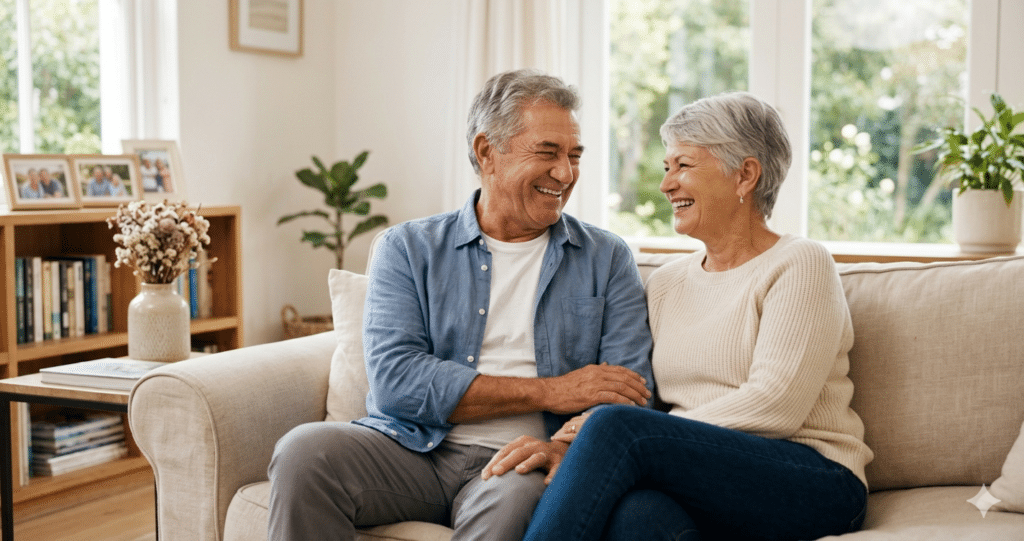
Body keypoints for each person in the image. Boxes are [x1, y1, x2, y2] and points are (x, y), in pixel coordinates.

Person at [267, 69, 654, 541]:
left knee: (510, 507)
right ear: (486, 152)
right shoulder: (407, 248)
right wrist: (553, 391)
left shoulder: (606, 257)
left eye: (574, 156)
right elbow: (396, 382)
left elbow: (630, 388)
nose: (566, 173)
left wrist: (567, 446)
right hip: (409, 449)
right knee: (303, 452)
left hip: (519, 463)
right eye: (548, 153)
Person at [523, 92, 873, 541]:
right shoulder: (666, 283)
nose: (667, 184)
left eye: (683, 166)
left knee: (615, 427)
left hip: (811, 477)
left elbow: (776, 405)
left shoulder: (800, 263)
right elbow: (646, 399)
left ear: (745, 175)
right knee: (636, 516)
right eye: (666, 168)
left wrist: (613, 433)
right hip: (701, 475)